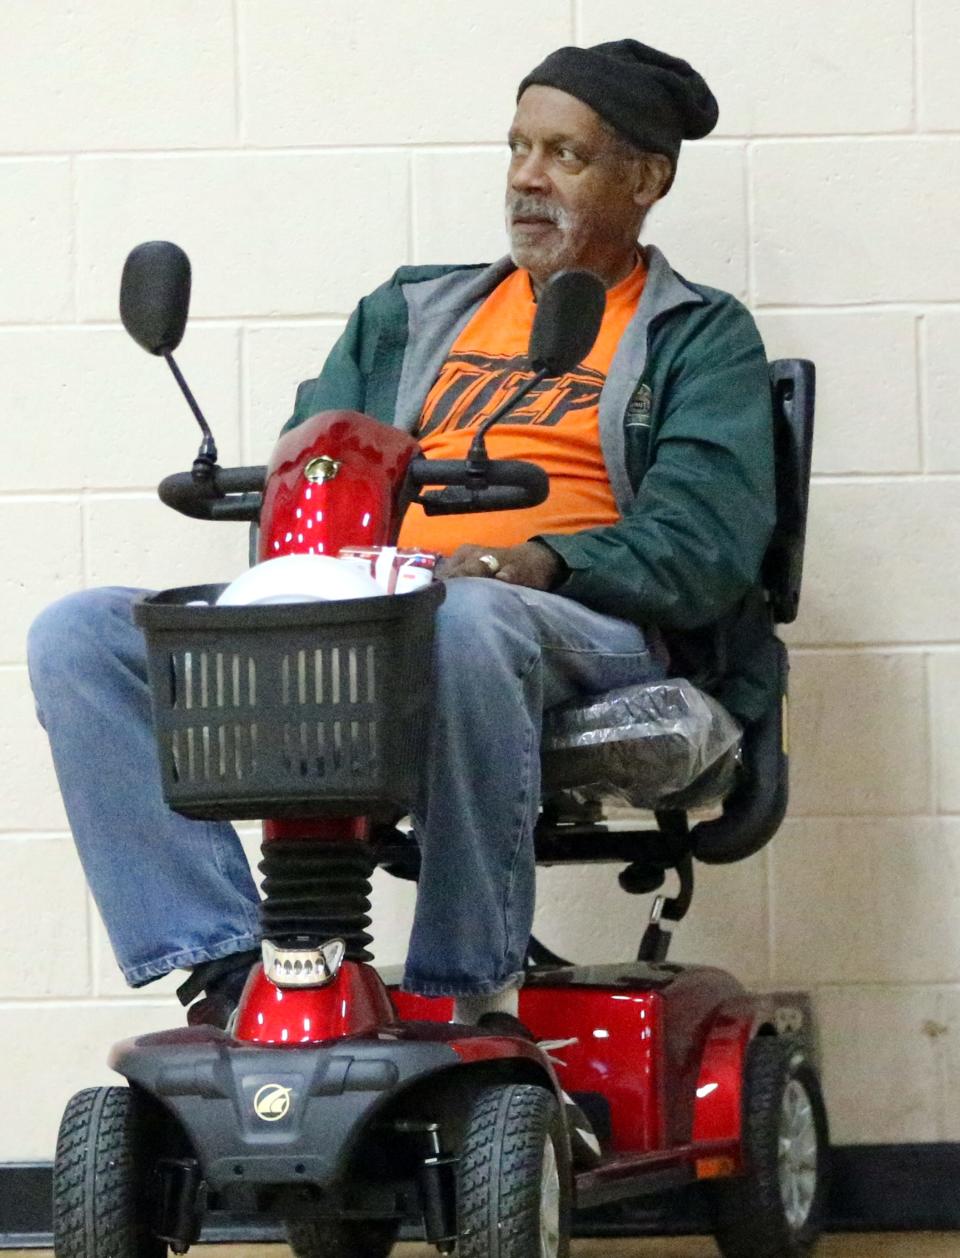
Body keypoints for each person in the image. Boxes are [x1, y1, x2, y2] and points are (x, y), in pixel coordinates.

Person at [27, 41, 774, 1036]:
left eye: (565, 153)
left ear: (647, 178)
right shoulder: (407, 313)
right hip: (378, 611)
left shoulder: (695, 334)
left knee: (470, 618)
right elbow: (315, 472)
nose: (526, 177)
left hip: (582, 628)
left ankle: (473, 992)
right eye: (517, 147)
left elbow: (706, 537)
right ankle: (223, 965)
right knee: (78, 635)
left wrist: (548, 558)